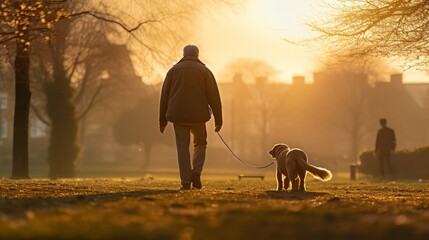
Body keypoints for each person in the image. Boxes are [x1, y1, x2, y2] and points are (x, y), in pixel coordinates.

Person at [159, 45, 223, 190]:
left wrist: (162, 120)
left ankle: (186, 182)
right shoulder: (205, 72)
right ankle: (196, 172)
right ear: (197, 55)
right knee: (200, 144)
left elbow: (164, 96)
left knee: (182, 148)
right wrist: (218, 120)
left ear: (184, 54)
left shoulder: (173, 71)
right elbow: (214, 97)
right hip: (199, 116)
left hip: (178, 115)